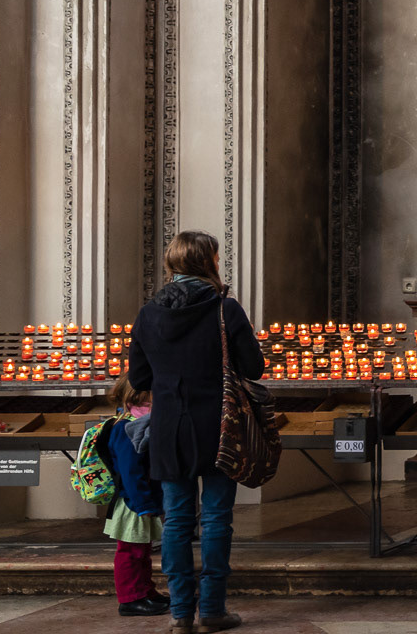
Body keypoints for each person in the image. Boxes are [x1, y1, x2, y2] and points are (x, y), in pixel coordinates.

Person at [128, 230, 265, 633]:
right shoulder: (225, 309)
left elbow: (138, 376)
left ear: (172, 264)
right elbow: (253, 368)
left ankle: (181, 615)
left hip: (170, 428)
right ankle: (213, 611)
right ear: (209, 262)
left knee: (176, 522)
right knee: (218, 519)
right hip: (221, 426)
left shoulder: (149, 313)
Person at [102, 378, 167, 617]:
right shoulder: (126, 427)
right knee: (130, 551)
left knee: (143, 550)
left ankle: (145, 591)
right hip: (133, 502)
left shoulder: (143, 424)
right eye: (148, 401)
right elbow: (131, 472)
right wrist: (142, 504)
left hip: (143, 499)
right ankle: (130, 598)